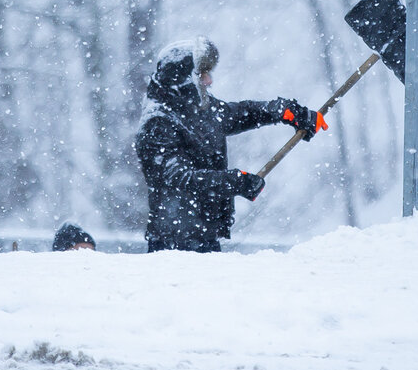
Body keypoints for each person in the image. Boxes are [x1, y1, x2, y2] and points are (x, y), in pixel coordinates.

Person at [135, 37, 327, 253]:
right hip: (173, 243)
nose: (209, 81)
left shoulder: (197, 110)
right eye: (202, 74)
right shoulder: (158, 122)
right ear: (184, 79)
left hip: (204, 235)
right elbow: (181, 179)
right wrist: (236, 181)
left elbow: (241, 114)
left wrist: (286, 111)